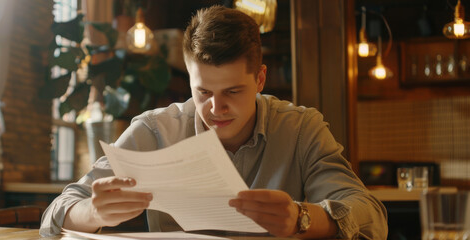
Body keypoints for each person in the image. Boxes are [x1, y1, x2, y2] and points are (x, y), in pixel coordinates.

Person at [40, 5, 387, 239]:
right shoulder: (154, 130)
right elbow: (54, 215)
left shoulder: (301, 129)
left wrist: (302, 217)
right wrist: (95, 213)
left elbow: (371, 216)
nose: (216, 108)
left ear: (261, 79)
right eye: (203, 91)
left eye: (233, 91)